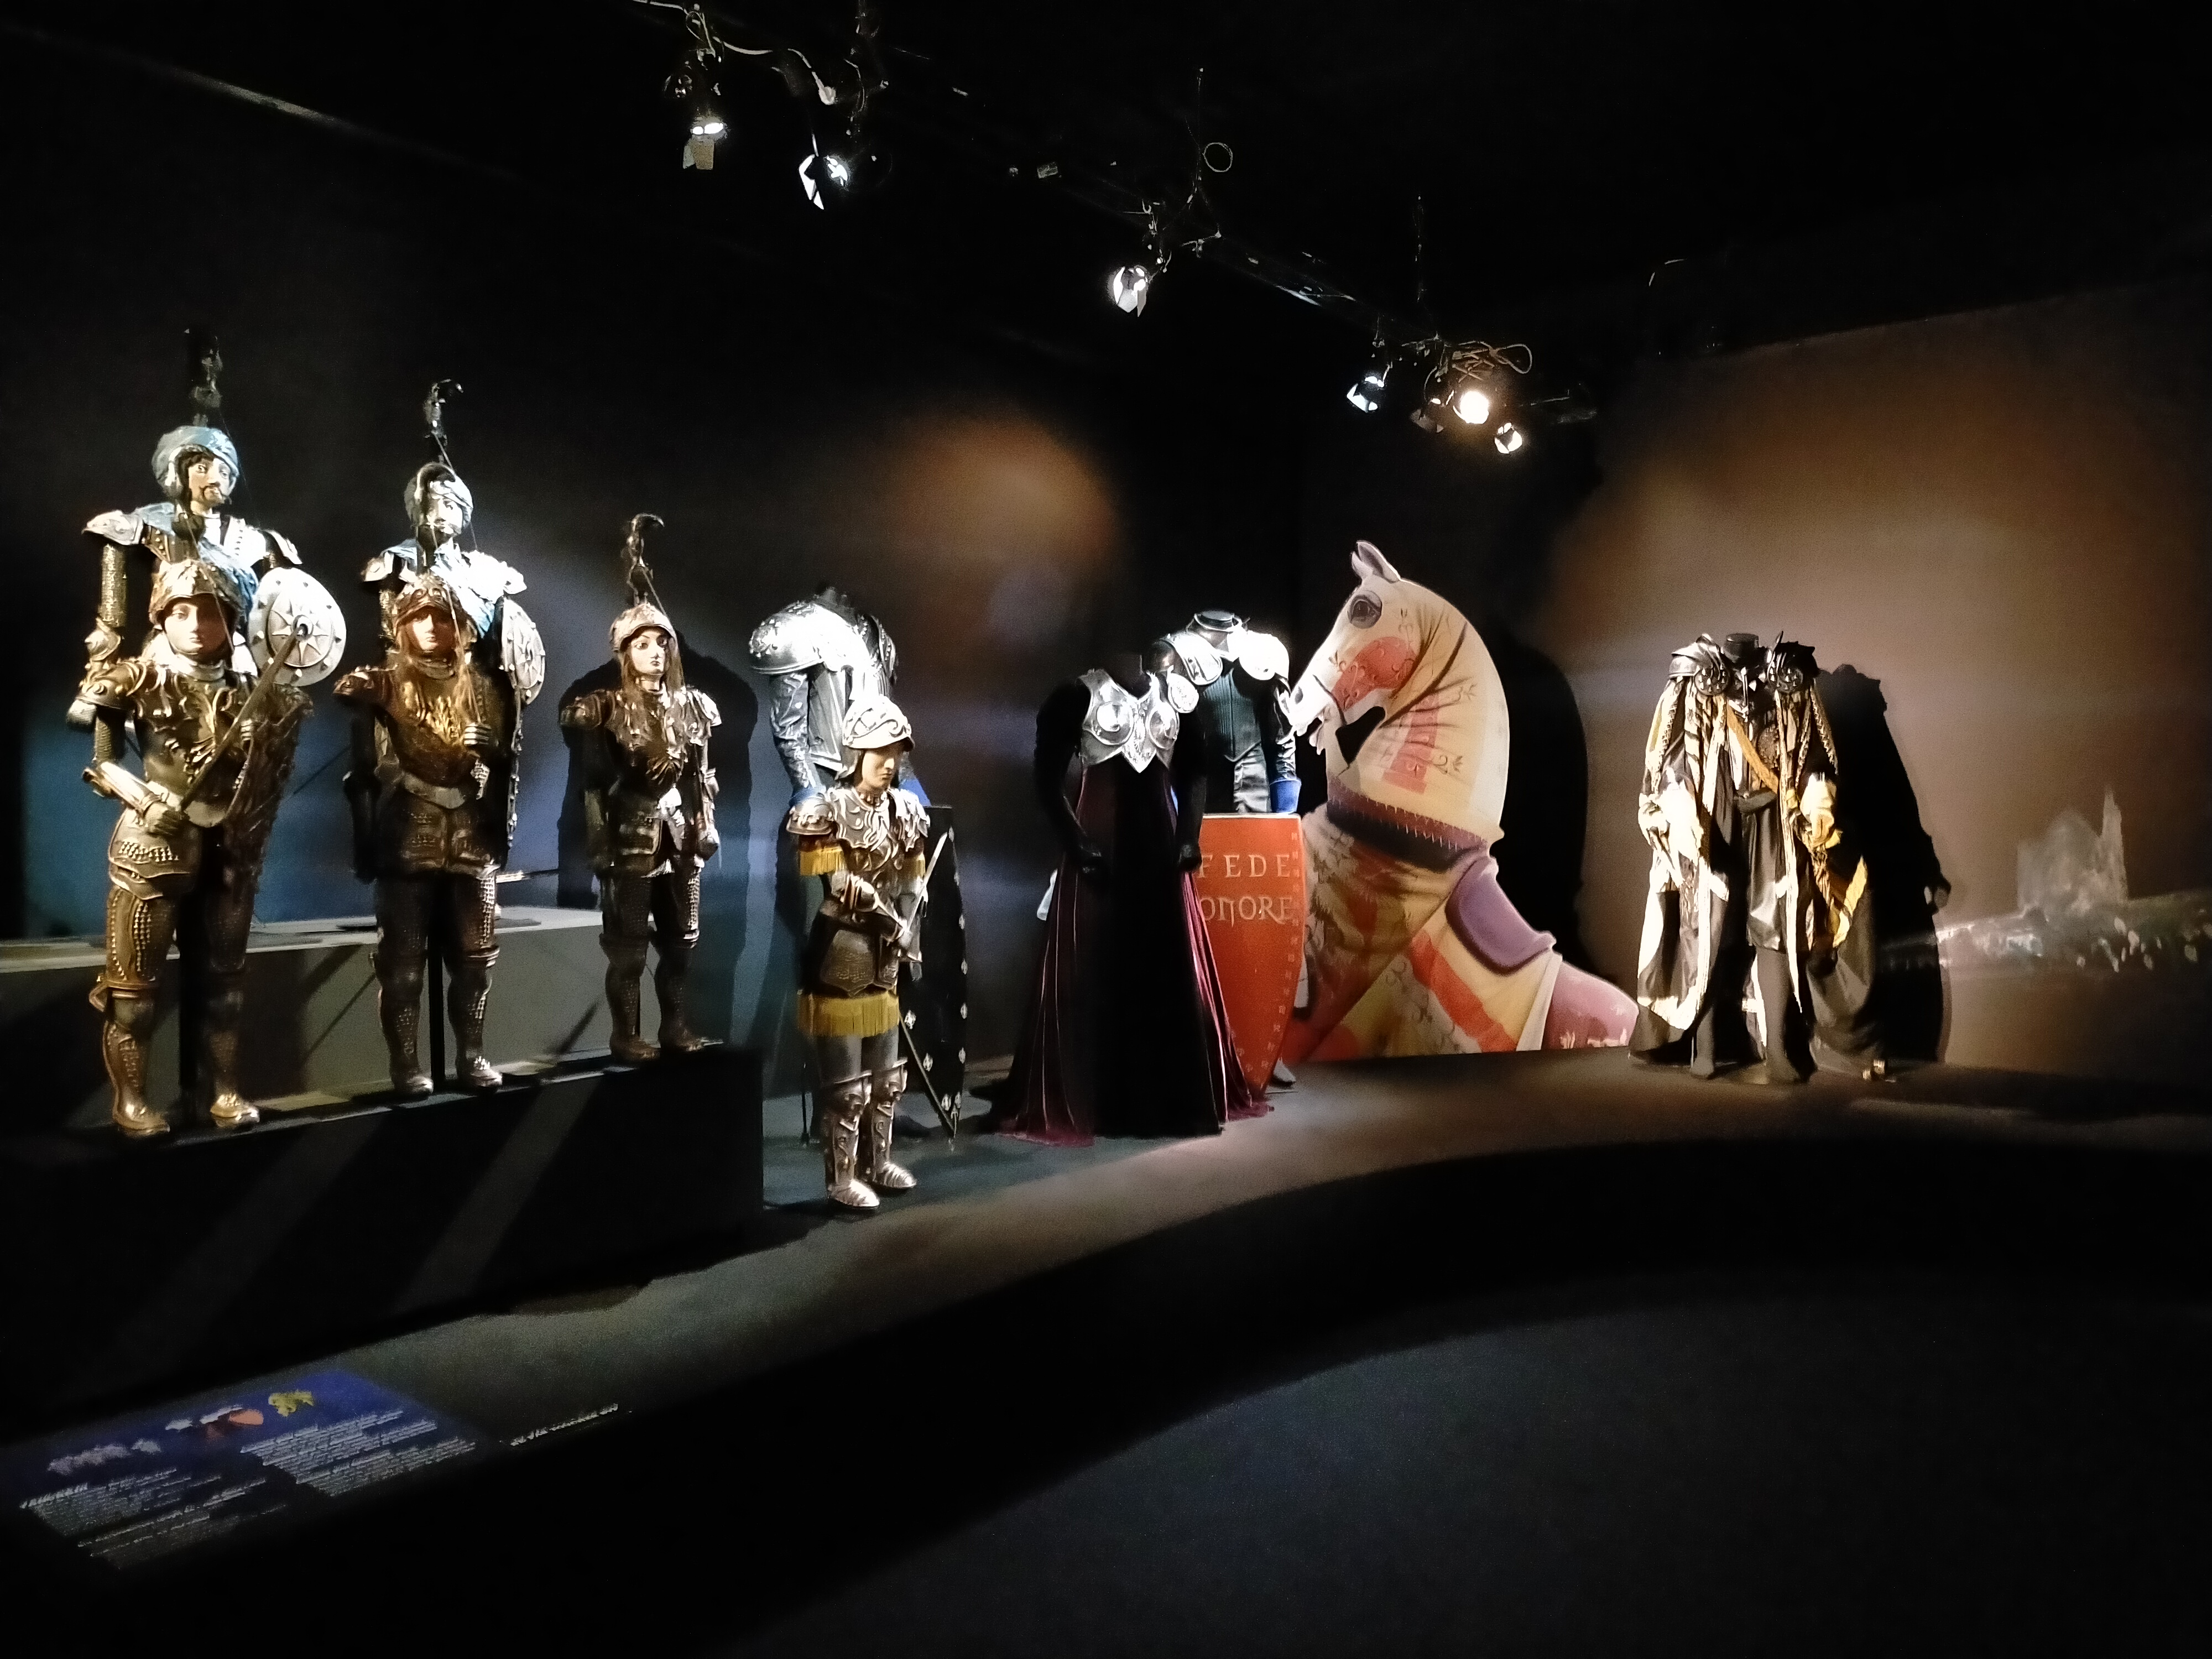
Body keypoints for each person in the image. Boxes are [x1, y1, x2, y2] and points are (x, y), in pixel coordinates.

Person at [69, 560, 310, 1134]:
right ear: (162, 618)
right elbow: (102, 761)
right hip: (154, 839)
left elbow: (271, 772)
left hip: (230, 843)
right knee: (135, 991)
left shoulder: (256, 691)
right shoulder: (133, 678)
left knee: (224, 987)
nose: (197, 625)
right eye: (182, 612)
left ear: (231, 620)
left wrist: (257, 743)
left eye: (210, 612)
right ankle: (132, 1101)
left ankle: (223, 1091)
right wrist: (146, 800)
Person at [994, 655, 1261, 1142]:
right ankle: (1099, 1096)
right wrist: (1077, 842)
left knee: (1166, 967)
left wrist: (1189, 835)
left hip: (1160, 854)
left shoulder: (1177, 695)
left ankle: (1171, 1095)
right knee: (1094, 968)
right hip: (1102, 854)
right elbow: (1046, 781)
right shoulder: (1076, 696)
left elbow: (1195, 772)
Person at [336, 576, 524, 1094]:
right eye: (420, 616)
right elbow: (354, 713)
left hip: (470, 829)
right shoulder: (388, 681)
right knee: (403, 968)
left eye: (442, 617)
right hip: (409, 825)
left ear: (460, 626)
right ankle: (406, 1063)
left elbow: (504, 761)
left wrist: (493, 750)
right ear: (402, 625)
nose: (432, 626)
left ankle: (471, 1053)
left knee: (476, 962)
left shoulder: (483, 686)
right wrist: (366, 693)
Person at [784, 697, 931, 1212]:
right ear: (856, 753)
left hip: (888, 951)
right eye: (879, 751)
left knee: (886, 1078)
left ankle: (878, 1161)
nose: (889, 763)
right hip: (844, 945)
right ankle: (842, 1177)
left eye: (896, 752)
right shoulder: (825, 809)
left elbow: (911, 880)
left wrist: (910, 928)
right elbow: (844, 886)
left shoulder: (906, 809)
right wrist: (889, 921)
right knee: (847, 1083)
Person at [560, 599, 722, 1062]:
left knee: (681, 945)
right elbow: (594, 786)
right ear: (626, 653)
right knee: (629, 952)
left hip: (680, 836)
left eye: (661, 644)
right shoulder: (608, 707)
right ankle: (626, 1034)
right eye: (643, 644)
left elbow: (703, 778)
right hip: (629, 832)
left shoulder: (693, 706)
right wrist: (599, 844)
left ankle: (674, 1026)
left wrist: (706, 824)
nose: (655, 653)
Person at [1147, 609, 1300, 815]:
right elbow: (1161, 738)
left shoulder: (1267, 649)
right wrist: (1169, 802)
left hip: (1255, 784)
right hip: (1199, 784)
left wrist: (1286, 804)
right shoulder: (1172, 652)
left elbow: (1282, 734)